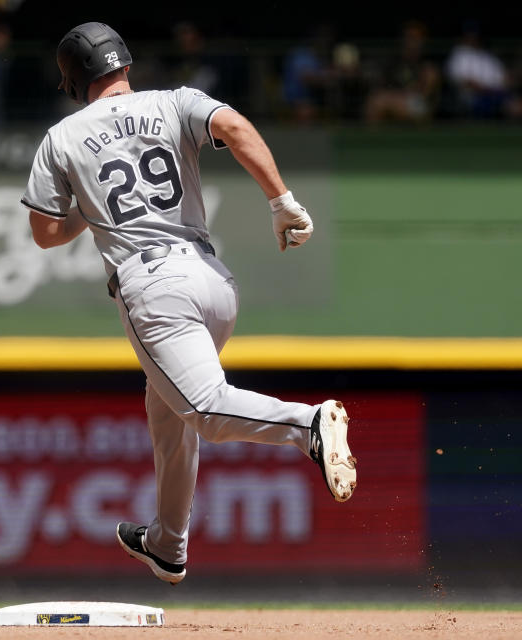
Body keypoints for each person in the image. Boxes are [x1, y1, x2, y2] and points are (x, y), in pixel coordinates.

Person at [20, 22, 357, 585]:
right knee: (167, 410)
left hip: (152, 286)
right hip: (212, 280)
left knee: (203, 409)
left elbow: (45, 232)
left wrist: (89, 205)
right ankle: (168, 543)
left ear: (74, 80)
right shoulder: (176, 101)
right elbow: (232, 125)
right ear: (124, 64)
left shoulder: (63, 137)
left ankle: (308, 426)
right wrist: (282, 200)